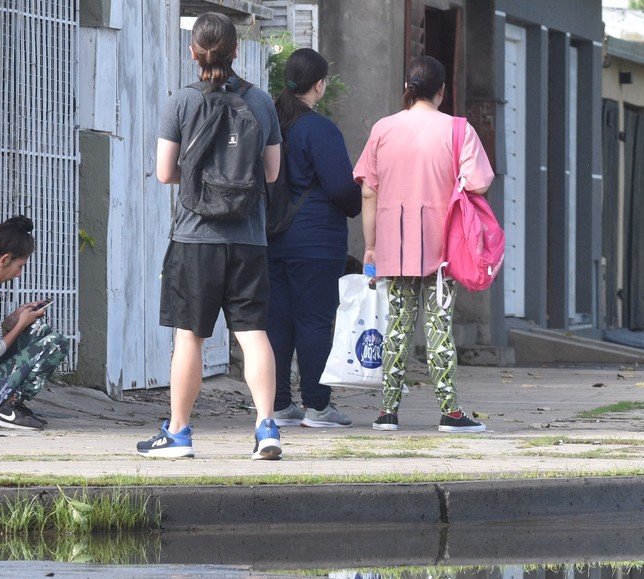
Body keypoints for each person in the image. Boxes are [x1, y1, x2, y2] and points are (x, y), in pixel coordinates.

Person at [143, 11, 285, 461]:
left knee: (190, 337)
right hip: (249, 237)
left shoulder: (181, 102)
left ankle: (179, 433)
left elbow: (165, 173)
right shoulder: (260, 101)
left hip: (195, 237)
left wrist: (202, 175)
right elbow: (273, 172)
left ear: (193, 52)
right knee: (254, 332)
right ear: (237, 50)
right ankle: (266, 428)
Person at [353, 55, 493, 433]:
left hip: (394, 243)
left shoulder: (383, 129)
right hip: (443, 246)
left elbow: (368, 191)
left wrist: (371, 246)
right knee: (439, 326)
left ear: (407, 90)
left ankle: (387, 411)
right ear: (441, 92)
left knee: (397, 325)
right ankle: (450, 411)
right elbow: (479, 183)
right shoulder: (458, 130)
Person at [266, 47, 362, 429]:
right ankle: (318, 407)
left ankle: (278, 405)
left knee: (278, 321)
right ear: (319, 85)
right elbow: (341, 187)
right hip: (317, 242)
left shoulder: (271, 122)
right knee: (315, 322)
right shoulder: (320, 129)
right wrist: (360, 203)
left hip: (271, 238)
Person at [0, 217, 71, 431]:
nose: (18, 274)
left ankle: (5, 405)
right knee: (56, 343)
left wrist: (10, 322)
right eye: (19, 266)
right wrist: (20, 325)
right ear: (4, 259)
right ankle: (8, 407)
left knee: (38, 330)